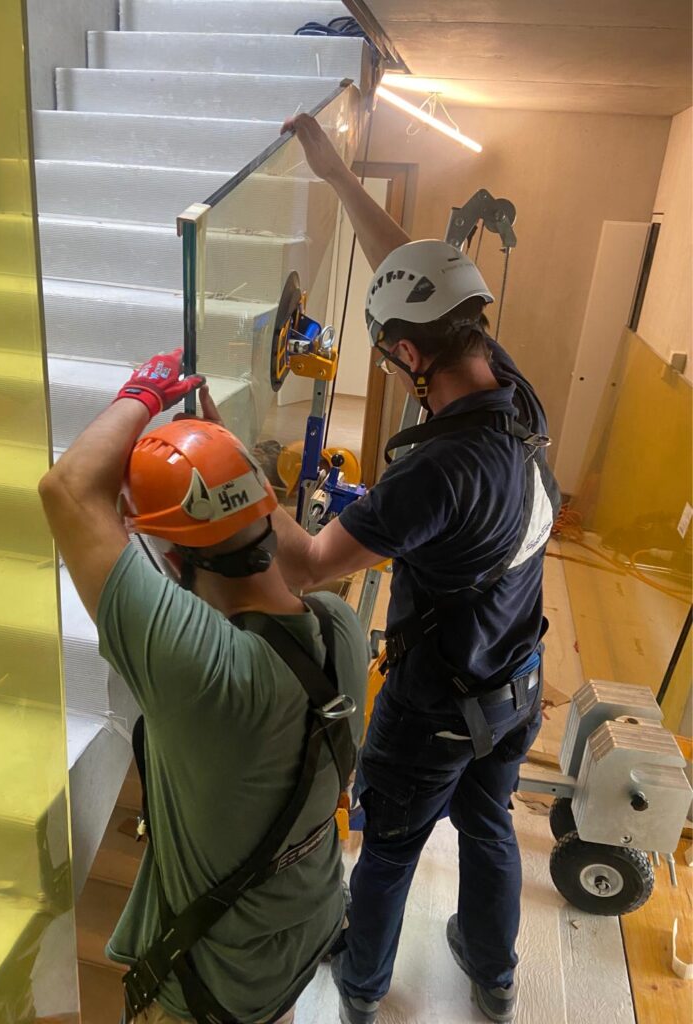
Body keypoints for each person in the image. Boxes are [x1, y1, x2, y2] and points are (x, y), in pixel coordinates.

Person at [263, 114, 562, 1024]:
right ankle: (494, 971)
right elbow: (414, 268)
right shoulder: (508, 390)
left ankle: (360, 989)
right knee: (488, 823)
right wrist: (337, 173)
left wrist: (234, 472)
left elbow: (312, 565)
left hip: (434, 707)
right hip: (516, 679)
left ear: (404, 354)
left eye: (390, 352)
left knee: (390, 847)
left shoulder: (433, 474)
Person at [39, 348, 369, 1024]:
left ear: (168, 557)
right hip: (304, 928)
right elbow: (290, 561)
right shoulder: (339, 627)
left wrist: (145, 393)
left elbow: (67, 491)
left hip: (211, 989)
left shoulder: (201, 670)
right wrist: (234, 471)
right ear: (265, 511)